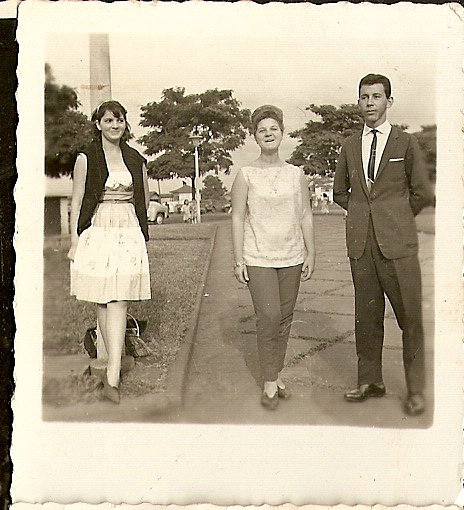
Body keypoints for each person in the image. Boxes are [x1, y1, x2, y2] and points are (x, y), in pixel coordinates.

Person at [333, 74, 434, 416]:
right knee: (366, 317)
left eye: (376, 96)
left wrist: (395, 218)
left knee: (410, 318)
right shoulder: (349, 145)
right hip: (362, 246)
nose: (370, 103)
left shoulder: (405, 142)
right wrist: (364, 214)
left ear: (389, 102)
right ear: (358, 102)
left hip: (398, 247)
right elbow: (340, 192)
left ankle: (416, 391)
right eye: (364, 97)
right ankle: (370, 381)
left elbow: (422, 192)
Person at [231, 105, 316, 410]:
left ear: (282, 133)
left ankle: (274, 374)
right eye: (262, 130)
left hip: (291, 256)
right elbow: (237, 217)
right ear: (254, 136)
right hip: (258, 257)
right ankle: (270, 380)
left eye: (273, 129)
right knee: (268, 318)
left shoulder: (296, 174)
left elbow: (305, 215)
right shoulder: (246, 175)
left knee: (284, 319)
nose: (268, 134)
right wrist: (239, 259)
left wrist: (311, 251)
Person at [67, 100, 151, 404]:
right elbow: (77, 201)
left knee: (119, 297)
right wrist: (74, 240)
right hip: (98, 227)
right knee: (103, 299)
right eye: (108, 120)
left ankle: (112, 375)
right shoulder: (86, 158)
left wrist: (139, 231)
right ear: (98, 124)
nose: (114, 126)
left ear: (125, 124)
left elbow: (143, 198)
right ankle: (109, 366)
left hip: (126, 228)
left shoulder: (135, 158)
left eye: (119, 120)